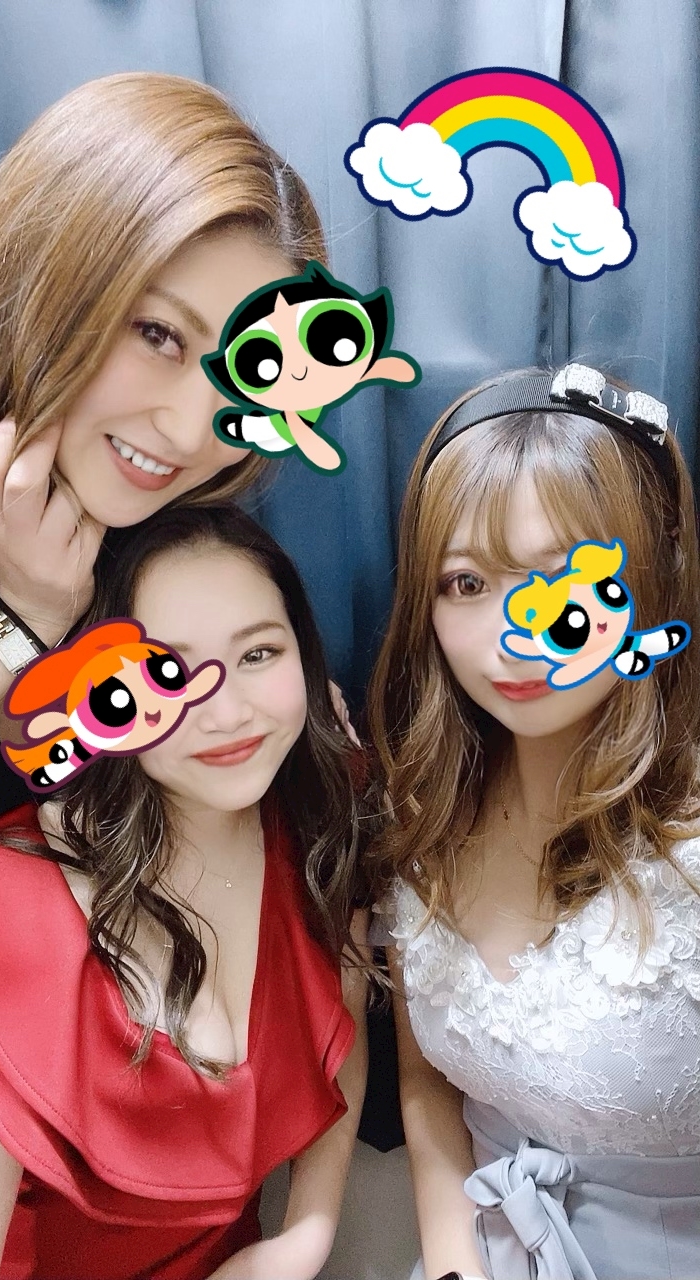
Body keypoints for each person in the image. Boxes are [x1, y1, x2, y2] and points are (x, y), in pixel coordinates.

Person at [367, 365, 700, 1280]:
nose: (514, 636)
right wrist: (452, 1259)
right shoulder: (422, 810)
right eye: (467, 583)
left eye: (560, 580)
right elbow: (424, 1082)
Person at [0, 500, 369, 1280]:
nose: (225, 713)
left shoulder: (319, 833)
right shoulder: (10, 909)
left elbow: (343, 1030)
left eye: (258, 654)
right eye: (168, 673)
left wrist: (303, 1237)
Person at [0, 70, 328, 820]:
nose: (192, 430)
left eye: (251, 376)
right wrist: (24, 617)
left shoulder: (163, 538)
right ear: (49, 286)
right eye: (159, 334)